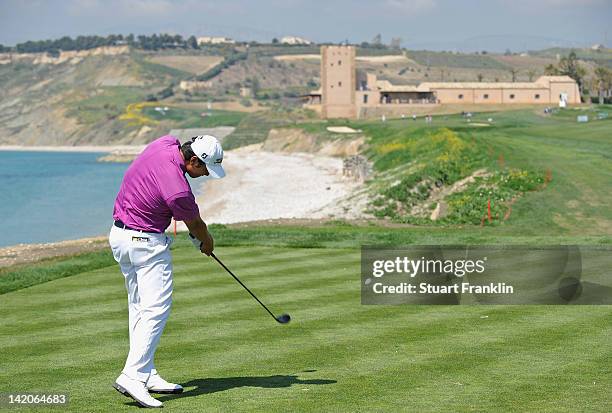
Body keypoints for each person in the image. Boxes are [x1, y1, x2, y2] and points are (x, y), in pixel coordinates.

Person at [109, 134, 225, 408]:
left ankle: (146, 373)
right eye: (205, 168)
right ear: (194, 160)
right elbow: (195, 224)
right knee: (157, 309)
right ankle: (133, 376)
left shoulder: (164, 144)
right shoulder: (180, 191)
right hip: (146, 245)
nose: (207, 174)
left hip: (119, 237)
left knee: (139, 308)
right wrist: (206, 242)